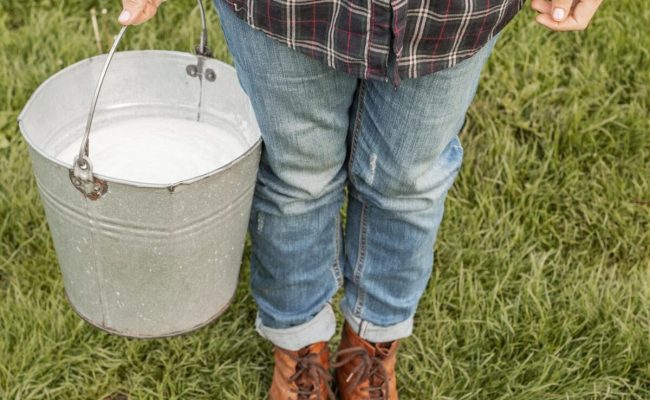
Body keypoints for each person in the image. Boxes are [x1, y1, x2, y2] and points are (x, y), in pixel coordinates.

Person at [118, 0, 604, 398]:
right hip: (286, 11)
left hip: (449, 16)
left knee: (408, 183)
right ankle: (300, 348)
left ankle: (371, 346)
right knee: (297, 177)